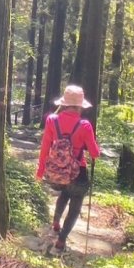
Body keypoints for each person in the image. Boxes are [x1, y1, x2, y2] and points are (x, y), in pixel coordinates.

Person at [35, 84, 100, 251]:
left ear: (64, 104)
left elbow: (45, 148)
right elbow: (94, 153)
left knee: (64, 193)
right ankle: (62, 239)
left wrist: (40, 172)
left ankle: (56, 222)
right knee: (75, 206)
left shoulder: (52, 120)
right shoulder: (85, 125)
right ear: (80, 106)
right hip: (78, 172)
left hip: (58, 172)